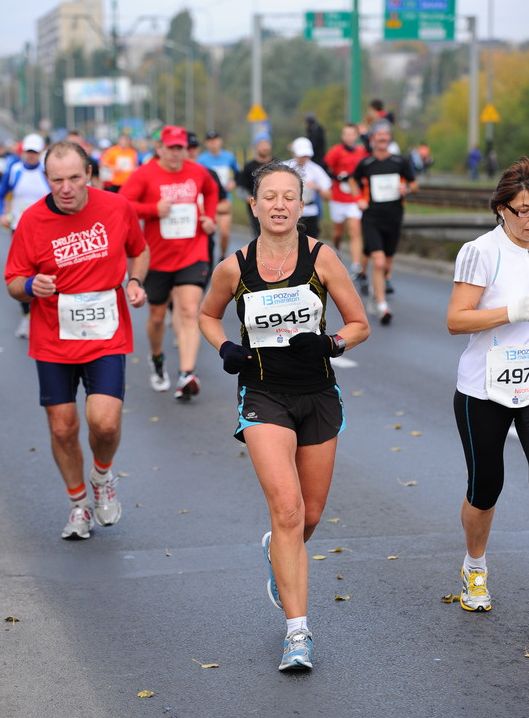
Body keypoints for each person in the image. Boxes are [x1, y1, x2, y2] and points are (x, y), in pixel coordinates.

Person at [199, 162, 370, 671]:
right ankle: (298, 634)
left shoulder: (322, 258)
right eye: (268, 196)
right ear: (252, 206)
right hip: (263, 394)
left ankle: (281, 552)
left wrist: (333, 341)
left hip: (316, 394)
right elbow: (207, 314)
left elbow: (359, 324)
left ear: (301, 205)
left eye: (288, 197)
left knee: (309, 516)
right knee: (289, 509)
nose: (278, 205)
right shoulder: (235, 267)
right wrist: (226, 346)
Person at [4, 140, 149, 540]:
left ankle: (102, 475)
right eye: (56, 180)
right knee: (63, 428)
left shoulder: (116, 208)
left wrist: (135, 282)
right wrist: (33, 285)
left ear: (88, 174)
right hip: (53, 337)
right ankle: (78, 505)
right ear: (46, 179)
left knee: (103, 421)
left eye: (73, 178)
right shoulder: (32, 221)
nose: (65, 188)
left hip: (105, 334)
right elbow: (13, 282)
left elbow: (140, 250)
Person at [446, 157, 529, 613]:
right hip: (486, 388)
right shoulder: (481, 251)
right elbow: (456, 320)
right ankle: (474, 566)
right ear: (501, 208)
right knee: (486, 486)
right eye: (523, 210)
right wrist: (512, 311)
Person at [120, 125, 218, 400]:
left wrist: (209, 218)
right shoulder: (145, 174)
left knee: (189, 310)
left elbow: (211, 191)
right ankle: (157, 358)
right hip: (156, 258)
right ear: (160, 148)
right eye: (171, 148)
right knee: (157, 316)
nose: (176, 154)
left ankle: (187, 374)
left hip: (192, 252)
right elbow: (123, 203)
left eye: (181, 148)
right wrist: (152, 210)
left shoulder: (197, 172)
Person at [352, 121, 418, 325]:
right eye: (378, 135)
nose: (382, 138)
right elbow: (353, 181)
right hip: (372, 217)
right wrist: (359, 199)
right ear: (372, 139)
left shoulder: (400, 161)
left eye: (385, 135)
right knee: (378, 261)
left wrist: (406, 189)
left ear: (389, 139)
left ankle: (375, 292)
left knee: (387, 263)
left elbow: (414, 183)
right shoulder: (366, 163)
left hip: (394, 216)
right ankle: (381, 305)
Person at [0, 132, 50, 339]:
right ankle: (27, 316)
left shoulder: (46, 172)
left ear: (40, 153)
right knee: (22, 273)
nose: (31, 156)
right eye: (28, 152)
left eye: (34, 152)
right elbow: (2, 194)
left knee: (45, 271)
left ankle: (45, 315)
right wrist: (2, 213)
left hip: (45, 231)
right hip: (19, 229)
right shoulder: (15, 170)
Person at [323, 123, 368, 279]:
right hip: (338, 198)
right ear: (343, 136)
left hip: (354, 198)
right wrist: (337, 177)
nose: (349, 137)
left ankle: (356, 264)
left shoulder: (361, 152)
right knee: (338, 232)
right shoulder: (336, 151)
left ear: (356, 136)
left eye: (352, 134)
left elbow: (369, 161)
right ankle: (337, 247)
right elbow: (325, 166)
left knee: (355, 230)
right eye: (346, 134)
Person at [198, 131, 239, 261]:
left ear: (220, 141)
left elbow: (238, 174)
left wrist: (234, 183)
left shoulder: (229, 157)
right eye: (210, 141)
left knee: (225, 233)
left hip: (224, 199)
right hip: (207, 201)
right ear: (206, 143)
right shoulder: (202, 160)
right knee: (208, 233)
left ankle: (222, 256)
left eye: (215, 140)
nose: (213, 143)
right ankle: (206, 258)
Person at [285, 137, 331, 239]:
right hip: (289, 212)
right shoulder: (284, 167)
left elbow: (328, 195)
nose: (303, 158)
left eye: (306, 155)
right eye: (301, 155)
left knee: (310, 247)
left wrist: (317, 187)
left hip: (310, 213)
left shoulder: (316, 170)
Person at [237, 132, 274, 238]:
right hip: (257, 210)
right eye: (261, 144)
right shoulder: (249, 166)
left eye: (267, 144)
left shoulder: (278, 164)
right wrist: (250, 199)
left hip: (276, 206)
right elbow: (241, 189)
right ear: (256, 147)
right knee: (260, 236)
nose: (265, 147)